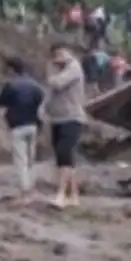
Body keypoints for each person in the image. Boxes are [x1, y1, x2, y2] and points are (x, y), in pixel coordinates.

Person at [0, 56, 45, 206]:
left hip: (17, 125)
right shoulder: (35, 85)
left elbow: (0, 102)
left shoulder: (10, 85)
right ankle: (31, 190)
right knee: (31, 159)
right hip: (33, 124)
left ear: (11, 69)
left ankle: (24, 193)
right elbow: (40, 102)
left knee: (20, 161)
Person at [44, 42, 87, 208]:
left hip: (72, 118)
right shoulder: (60, 69)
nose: (58, 58)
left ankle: (61, 195)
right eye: (55, 55)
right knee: (66, 159)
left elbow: (56, 84)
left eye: (61, 53)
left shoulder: (73, 68)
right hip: (58, 118)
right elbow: (50, 93)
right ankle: (74, 196)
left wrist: (50, 69)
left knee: (64, 155)